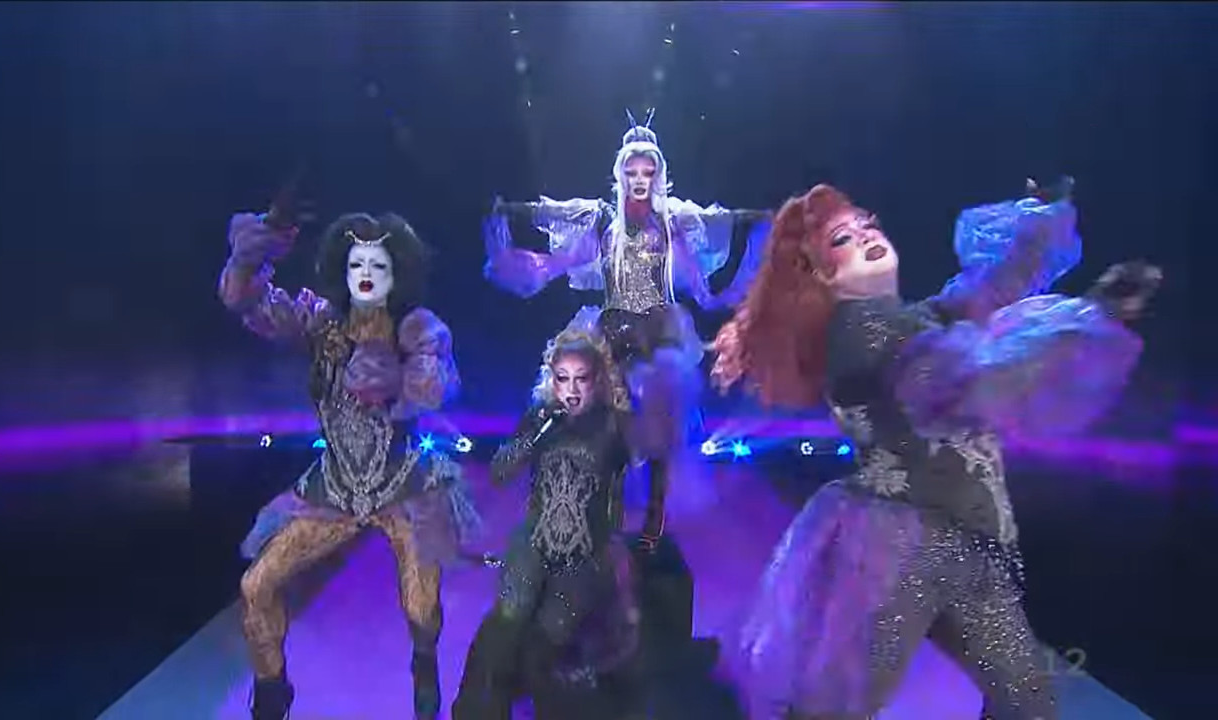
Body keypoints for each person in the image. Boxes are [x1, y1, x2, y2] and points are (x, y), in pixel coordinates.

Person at [710, 179, 1160, 719]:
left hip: (962, 543)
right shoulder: (863, 331)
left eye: (865, 224)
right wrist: (1091, 318)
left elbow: (983, 295)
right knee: (846, 707)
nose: (865, 235)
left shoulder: (905, 320)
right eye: (842, 240)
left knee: (1025, 700)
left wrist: (1038, 226)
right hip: (898, 552)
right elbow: (966, 380)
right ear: (824, 275)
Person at [219, 210, 479, 720]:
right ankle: (272, 692)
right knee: (257, 586)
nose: (366, 273)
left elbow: (438, 385)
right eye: (357, 263)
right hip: (334, 489)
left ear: (396, 273)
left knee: (421, 610)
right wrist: (249, 257)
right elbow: (250, 302)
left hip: (405, 488)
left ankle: (424, 668)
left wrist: (402, 377)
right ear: (342, 268)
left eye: (378, 265)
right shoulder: (321, 321)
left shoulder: (416, 329)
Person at [484, 111, 771, 553]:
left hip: (658, 329)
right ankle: (593, 501)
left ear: (658, 175)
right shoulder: (603, 220)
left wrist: (756, 221)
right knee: (594, 415)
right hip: (612, 326)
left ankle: (653, 516)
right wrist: (514, 211)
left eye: (647, 173)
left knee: (661, 424)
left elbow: (720, 229)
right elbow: (553, 212)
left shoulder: (673, 221)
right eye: (632, 172)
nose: (640, 180)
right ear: (621, 175)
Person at [453, 329, 641, 720]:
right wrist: (536, 435)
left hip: (585, 554)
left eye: (581, 379)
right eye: (563, 379)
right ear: (552, 381)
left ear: (597, 381)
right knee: (507, 622)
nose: (571, 390)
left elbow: (635, 477)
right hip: (535, 542)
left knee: (545, 639)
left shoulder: (615, 425)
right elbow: (499, 473)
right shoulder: (539, 419)